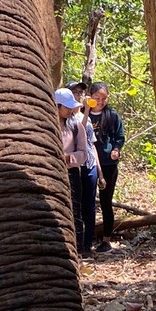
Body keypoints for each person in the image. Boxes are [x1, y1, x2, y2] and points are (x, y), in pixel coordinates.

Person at [89, 82, 125, 252]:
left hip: (108, 164)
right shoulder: (83, 114)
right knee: (86, 202)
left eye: (104, 98)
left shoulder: (112, 115)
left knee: (105, 202)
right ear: (90, 97)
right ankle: (85, 238)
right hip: (87, 164)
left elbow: (120, 136)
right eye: (97, 98)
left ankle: (106, 240)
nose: (101, 101)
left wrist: (116, 149)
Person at [68, 82, 99, 256]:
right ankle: (77, 245)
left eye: (80, 92)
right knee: (76, 205)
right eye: (75, 91)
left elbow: (91, 143)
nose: (79, 94)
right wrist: (86, 111)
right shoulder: (69, 118)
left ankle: (87, 245)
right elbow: (79, 132)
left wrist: (100, 171)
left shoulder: (84, 116)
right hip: (75, 164)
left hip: (90, 163)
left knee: (90, 206)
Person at [56, 87, 87, 253]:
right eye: (66, 107)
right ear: (57, 106)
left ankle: (79, 252)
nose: (70, 110)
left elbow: (84, 154)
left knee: (75, 212)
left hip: (71, 173)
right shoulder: (45, 126)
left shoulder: (75, 125)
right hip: (51, 175)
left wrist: (69, 157)